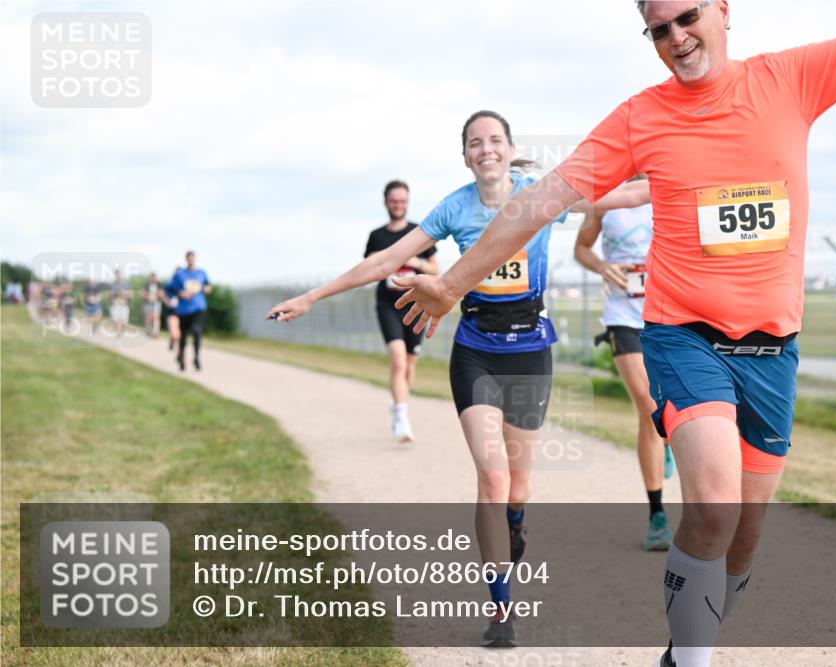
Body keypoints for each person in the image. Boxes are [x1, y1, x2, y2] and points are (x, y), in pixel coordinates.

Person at [392, 2, 836, 665]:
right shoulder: (639, 117)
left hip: (772, 349)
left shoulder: (793, 78)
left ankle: (683, 648)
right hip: (683, 336)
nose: (676, 37)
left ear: (723, 11)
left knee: (743, 537)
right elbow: (538, 202)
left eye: (687, 17)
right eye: (659, 29)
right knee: (712, 503)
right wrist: (451, 284)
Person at [267, 110, 568, 648]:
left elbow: (617, 194)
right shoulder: (455, 207)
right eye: (475, 143)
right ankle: (502, 610)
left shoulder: (538, 194)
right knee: (493, 480)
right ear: (465, 155)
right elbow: (386, 259)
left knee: (518, 487)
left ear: (510, 147)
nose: (486, 150)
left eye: (495, 141)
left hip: (530, 350)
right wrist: (312, 297)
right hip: (475, 350)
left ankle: (515, 523)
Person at [573, 174, 677, 551]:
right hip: (623, 316)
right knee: (650, 407)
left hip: (669, 315)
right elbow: (582, 248)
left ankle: (665, 441)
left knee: (671, 412)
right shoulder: (608, 198)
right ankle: (657, 516)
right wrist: (602, 267)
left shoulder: (669, 186)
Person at [364, 180, 440, 442]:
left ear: (407, 202)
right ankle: (402, 417)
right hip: (388, 304)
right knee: (397, 359)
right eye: (394, 201)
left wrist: (413, 261)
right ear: (386, 202)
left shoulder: (419, 232)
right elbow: (369, 269)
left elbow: (434, 269)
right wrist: (384, 264)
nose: (398, 205)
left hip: (415, 304)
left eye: (403, 201)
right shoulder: (377, 236)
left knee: (409, 363)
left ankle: (399, 403)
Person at [166, 252, 211, 371]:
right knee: (184, 336)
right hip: (184, 310)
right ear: (186, 260)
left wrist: (203, 289)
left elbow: (208, 287)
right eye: (189, 259)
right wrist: (180, 293)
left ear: (195, 260)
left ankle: (196, 357)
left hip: (199, 307)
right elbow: (169, 288)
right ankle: (182, 358)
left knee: (197, 332)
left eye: (193, 259)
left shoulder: (201, 273)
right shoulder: (180, 274)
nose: (191, 261)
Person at [161, 266, 182, 351]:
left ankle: (179, 354)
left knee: (180, 334)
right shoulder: (170, 284)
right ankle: (173, 339)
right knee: (174, 334)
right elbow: (161, 294)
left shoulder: (185, 284)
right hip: (172, 311)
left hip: (183, 312)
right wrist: (167, 302)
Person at [108, 270, 132, 339]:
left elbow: (130, 294)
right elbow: (109, 295)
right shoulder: (112, 284)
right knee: (117, 319)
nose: (118, 276)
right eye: (116, 274)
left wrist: (124, 294)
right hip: (115, 304)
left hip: (124, 304)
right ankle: (118, 333)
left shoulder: (126, 283)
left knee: (124, 320)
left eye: (119, 274)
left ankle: (122, 331)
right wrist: (114, 294)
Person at [143, 273, 163, 337]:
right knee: (148, 317)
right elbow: (143, 294)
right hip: (148, 303)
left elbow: (161, 294)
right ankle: (148, 331)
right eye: (152, 277)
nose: (153, 279)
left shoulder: (159, 285)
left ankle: (156, 332)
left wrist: (156, 296)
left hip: (156, 303)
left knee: (156, 317)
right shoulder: (146, 285)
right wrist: (148, 297)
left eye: (154, 277)